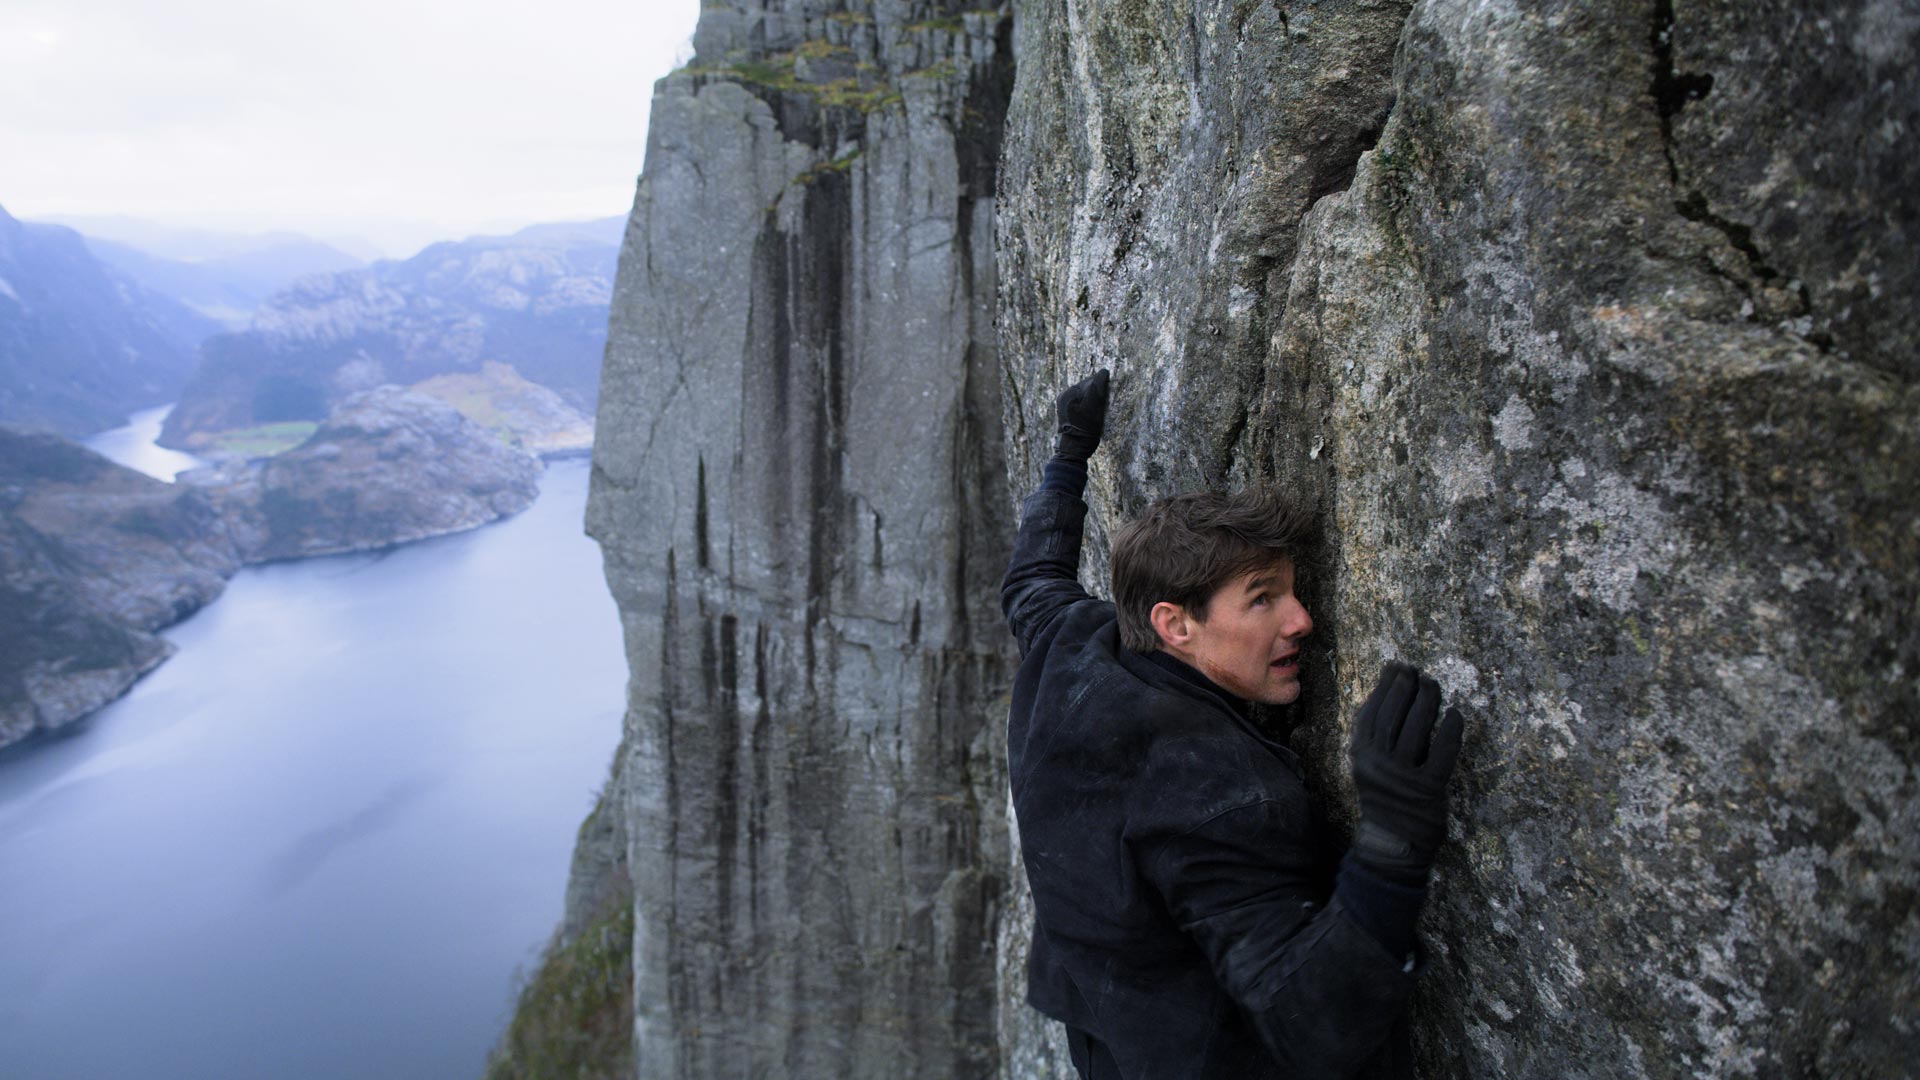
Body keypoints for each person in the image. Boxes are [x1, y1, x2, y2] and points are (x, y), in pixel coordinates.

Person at [1002, 368, 1465, 1079]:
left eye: (1293, 591)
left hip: (1110, 1031)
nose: (1302, 620)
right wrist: (1393, 842)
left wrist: (1070, 456)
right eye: (1262, 599)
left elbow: (1033, 580)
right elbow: (1311, 1021)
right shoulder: (1215, 793)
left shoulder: (1073, 645)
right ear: (1175, 624)